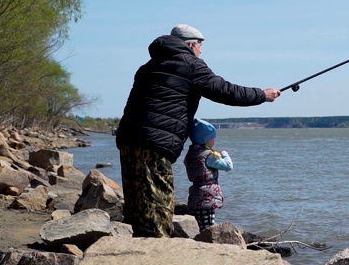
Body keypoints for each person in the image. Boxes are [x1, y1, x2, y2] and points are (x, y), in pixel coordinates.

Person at [115, 24, 281, 237]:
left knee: (137, 205)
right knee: (158, 207)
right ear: (191, 44)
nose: (201, 51)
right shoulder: (191, 64)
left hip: (128, 139)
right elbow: (226, 91)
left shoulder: (148, 67)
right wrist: (262, 95)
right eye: (200, 46)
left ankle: (138, 252)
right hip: (155, 145)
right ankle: (158, 257)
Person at [183, 118, 231, 231]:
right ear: (206, 139)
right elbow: (228, 166)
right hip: (207, 197)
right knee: (208, 226)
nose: (214, 141)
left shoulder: (191, 154)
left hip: (195, 194)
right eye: (212, 138)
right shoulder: (208, 156)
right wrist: (224, 154)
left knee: (200, 225)